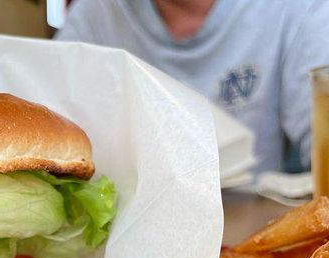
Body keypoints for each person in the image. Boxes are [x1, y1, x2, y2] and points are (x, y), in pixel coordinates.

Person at [55, 0, 329, 175]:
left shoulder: (299, 10)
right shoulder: (94, 15)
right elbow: (56, 129)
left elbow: (321, 137)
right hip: (124, 225)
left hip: (252, 224)